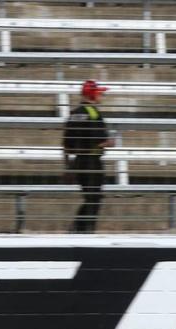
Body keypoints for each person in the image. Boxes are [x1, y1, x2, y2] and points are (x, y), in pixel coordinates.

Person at [63, 80, 113, 233]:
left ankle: (78, 229)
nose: (101, 96)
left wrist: (68, 168)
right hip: (92, 162)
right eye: (99, 93)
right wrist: (109, 143)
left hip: (78, 162)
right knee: (94, 199)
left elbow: (66, 145)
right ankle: (83, 231)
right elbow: (100, 141)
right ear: (92, 94)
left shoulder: (73, 113)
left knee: (90, 197)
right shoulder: (93, 112)